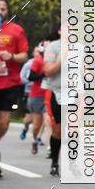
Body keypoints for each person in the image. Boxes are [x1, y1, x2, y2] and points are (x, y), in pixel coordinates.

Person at [0, 0, 28, 179]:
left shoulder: (16, 30)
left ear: (7, 10)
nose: (0, 12)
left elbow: (24, 56)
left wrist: (11, 56)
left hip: (10, 83)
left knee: (3, 122)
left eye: (3, 9)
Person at [42, 26, 62, 177]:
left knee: (74, 130)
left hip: (76, 93)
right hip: (56, 91)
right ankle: (55, 162)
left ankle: (73, 163)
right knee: (57, 131)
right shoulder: (52, 46)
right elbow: (48, 71)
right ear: (60, 31)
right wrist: (63, 58)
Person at [26, 41, 49, 155]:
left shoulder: (56, 61)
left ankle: (50, 149)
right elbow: (30, 77)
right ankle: (34, 139)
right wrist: (44, 75)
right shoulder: (38, 61)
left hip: (50, 95)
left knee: (48, 121)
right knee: (37, 125)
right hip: (37, 96)